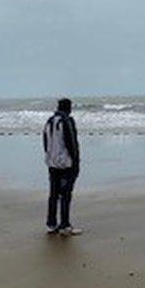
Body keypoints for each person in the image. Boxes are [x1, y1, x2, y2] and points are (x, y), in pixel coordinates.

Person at [43, 98, 82, 236]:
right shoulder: (67, 121)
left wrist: (50, 158)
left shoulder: (49, 121)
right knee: (65, 194)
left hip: (52, 163)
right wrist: (76, 162)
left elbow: (46, 143)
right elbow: (72, 143)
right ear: (68, 108)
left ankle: (51, 224)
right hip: (66, 164)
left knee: (53, 194)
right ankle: (65, 225)